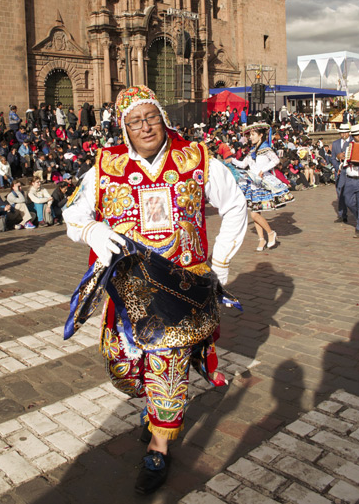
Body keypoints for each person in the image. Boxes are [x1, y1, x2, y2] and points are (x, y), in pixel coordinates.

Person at [63, 85, 247, 494]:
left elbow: (235, 205)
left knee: (167, 366)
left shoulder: (196, 159)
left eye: (150, 117)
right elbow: (72, 212)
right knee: (124, 369)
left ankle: (159, 446)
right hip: (128, 290)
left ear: (162, 117)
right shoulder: (105, 165)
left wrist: (219, 264)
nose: (145, 126)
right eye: (134, 121)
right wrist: (92, 229)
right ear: (123, 128)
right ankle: (152, 408)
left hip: (181, 290)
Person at [231, 122, 294, 251]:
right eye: (250, 135)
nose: (251, 137)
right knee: (255, 212)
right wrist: (230, 160)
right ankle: (261, 240)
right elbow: (243, 165)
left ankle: (271, 233)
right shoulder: (252, 151)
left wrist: (263, 170)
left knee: (254, 214)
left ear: (260, 136)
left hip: (263, 182)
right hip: (253, 182)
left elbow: (276, 160)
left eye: (253, 135)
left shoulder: (266, 148)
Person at [331, 123, 352, 223]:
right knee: (340, 193)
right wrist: (337, 161)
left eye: (346, 132)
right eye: (342, 132)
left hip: (350, 172)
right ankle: (342, 214)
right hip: (339, 172)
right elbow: (332, 158)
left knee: (350, 195)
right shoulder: (335, 143)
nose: (344, 134)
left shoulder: (354, 142)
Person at [342, 123, 359, 238]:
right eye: (355, 135)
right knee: (348, 201)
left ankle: (358, 227)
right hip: (350, 178)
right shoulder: (349, 147)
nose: (357, 137)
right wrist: (343, 159)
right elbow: (344, 163)